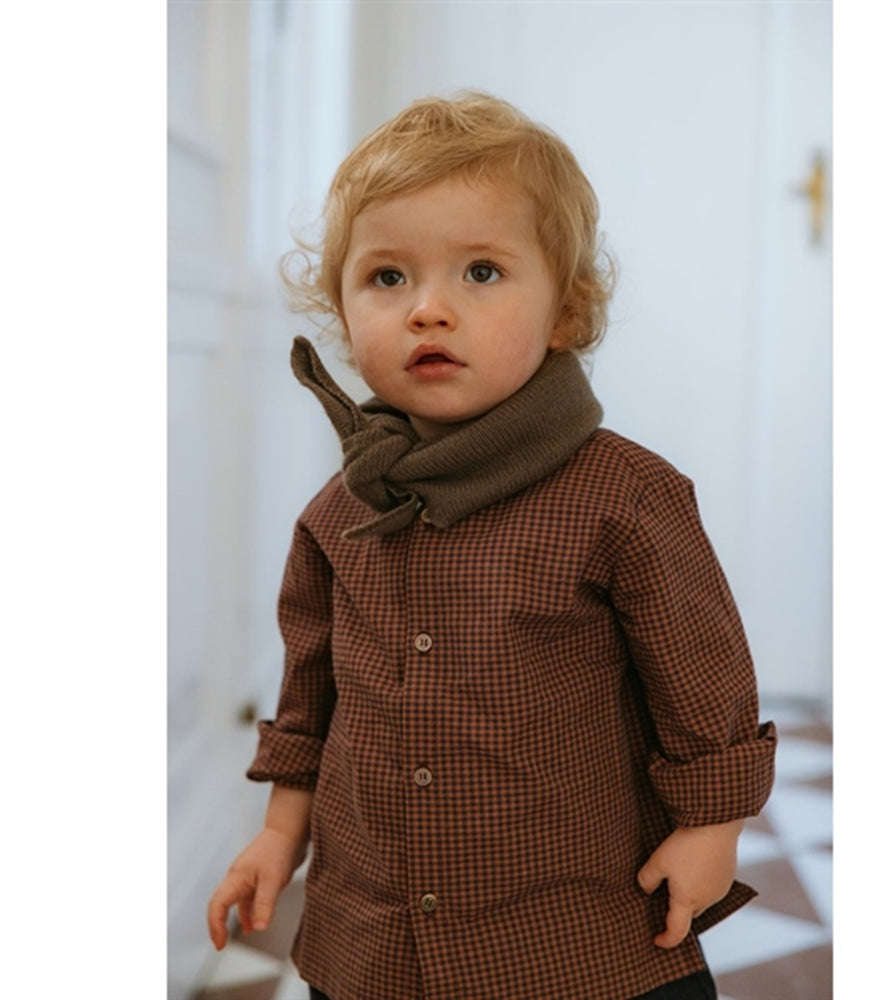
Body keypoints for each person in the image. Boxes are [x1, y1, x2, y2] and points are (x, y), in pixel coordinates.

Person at [207, 92, 777, 1000]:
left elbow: (702, 683)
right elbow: (310, 699)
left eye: (480, 272)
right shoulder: (336, 515)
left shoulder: (625, 497)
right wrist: (281, 833)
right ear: (343, 315)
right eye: (387, 278)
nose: (428, 310)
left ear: (565, 312)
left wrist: (712, 828)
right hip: (378, 938)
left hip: (578, 939)